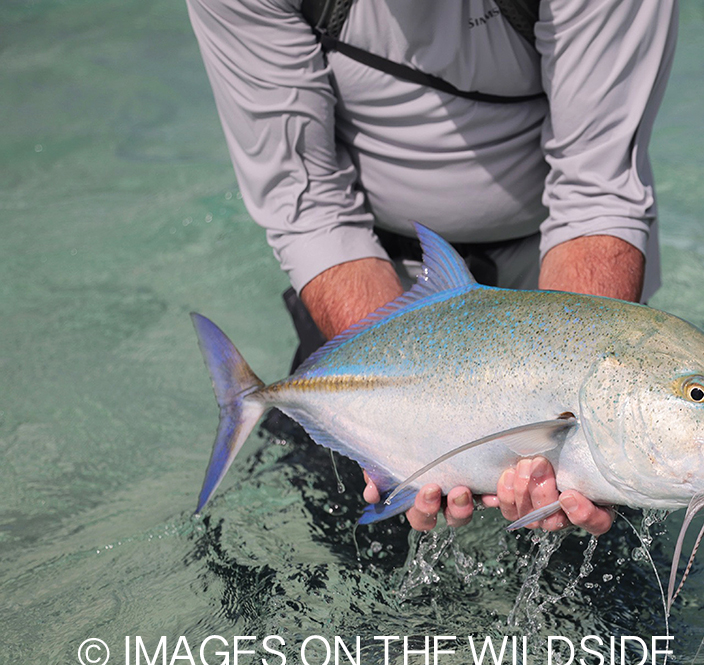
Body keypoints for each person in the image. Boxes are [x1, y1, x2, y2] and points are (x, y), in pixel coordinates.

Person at [186, 0, 678, 536]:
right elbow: (307, 206)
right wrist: (408, 443)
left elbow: (597, 190)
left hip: (557, 275)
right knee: (335, 549)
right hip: (373, 283)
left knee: (605, 550)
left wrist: (561, 446)